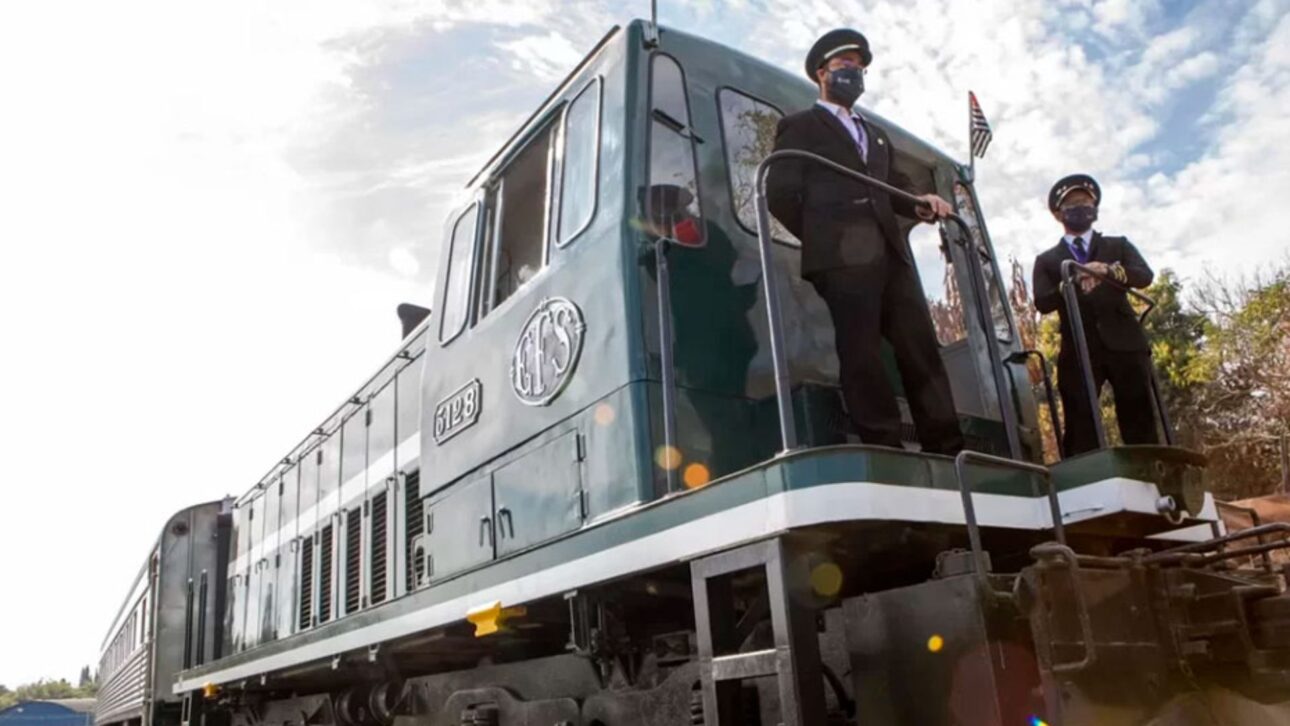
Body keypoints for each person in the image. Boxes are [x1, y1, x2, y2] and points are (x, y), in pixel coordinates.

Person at [766, 28, 964, 455]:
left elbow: (896, 187)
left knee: (920, 349)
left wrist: (921, 203)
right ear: (822, 73)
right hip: (842, 262)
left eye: (859, 68)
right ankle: (884, 445)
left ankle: (947, 447)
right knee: (862, 352)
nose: (854, 73)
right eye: (844, 66)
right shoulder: (799, 126)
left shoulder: (875, 136)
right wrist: (826, 243)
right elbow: (780, 195)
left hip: (891, 256)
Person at [1032, 173, 1159, 456]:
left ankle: (1151, 473)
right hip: (1079, 348)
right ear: (1058, 214)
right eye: (1073, 204)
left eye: (1086, 203)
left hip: (1125, 342)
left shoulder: (1118, 245)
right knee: (1080, 421)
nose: (1081, 208)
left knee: (1139, 415)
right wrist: (1072, 280)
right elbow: (1042, 301)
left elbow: (1144, 276)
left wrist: (1110, 271)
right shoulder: (1048, 260)